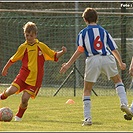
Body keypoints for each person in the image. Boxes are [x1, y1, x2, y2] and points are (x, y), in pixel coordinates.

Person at [59, 7, 132, 126]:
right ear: (96, 18)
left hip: (93, 59)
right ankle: (124, 103)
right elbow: (113, 49)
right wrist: (121, 62)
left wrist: (68, 64)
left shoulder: (83, 33)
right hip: (107, 58)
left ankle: (87, 119)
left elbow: (79, 50)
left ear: (85, 20)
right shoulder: (103, 31)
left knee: (87, 89)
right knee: (118, 80)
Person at [1, 21, 67, 122]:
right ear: (24, 34)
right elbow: (12, 59)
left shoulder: (41, 46)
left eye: (31, 35)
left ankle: (18, 117)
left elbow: (54, 56)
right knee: (10, 91)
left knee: (24, 99)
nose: (29, 38)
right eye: (27, 35)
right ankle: (2, 96)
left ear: (35, 35)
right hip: (23, 76)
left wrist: (62, 52)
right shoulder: (23, 47)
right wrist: (5, 69)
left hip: (35, 80)